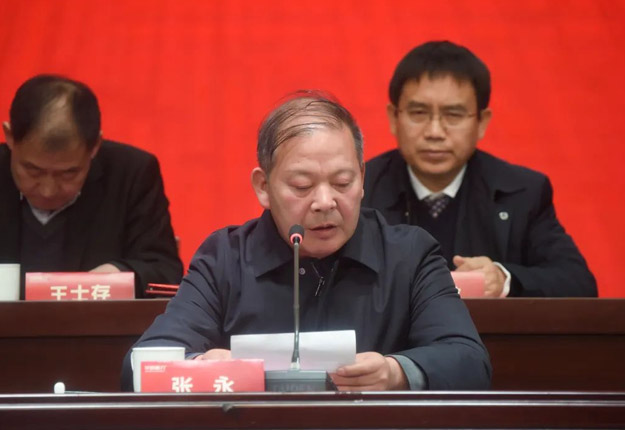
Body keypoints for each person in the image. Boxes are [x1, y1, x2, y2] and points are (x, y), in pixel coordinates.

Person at [122, 91, 491, 391]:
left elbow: (470, 361)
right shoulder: (226, 258)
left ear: (362, 178)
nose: (325, 202)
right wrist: (202, 368)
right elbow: (140, 365)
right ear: (263, 187)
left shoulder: (409, 255)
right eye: (302, 186)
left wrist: (396, 372)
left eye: (343, 182)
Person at [363, 41, 597, 297]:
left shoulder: (521, 193)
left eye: (453, 115)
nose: (434, 132)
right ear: (394, 118)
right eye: (419, 113)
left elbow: (578, 283)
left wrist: (502, 280)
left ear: (482, 122)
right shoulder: (360, 190)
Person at [0, 74, 183, 297]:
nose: (48, 190)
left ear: (95, 146)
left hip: (102, 318)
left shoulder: (131, 174)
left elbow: (165, 269)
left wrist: (118, 275)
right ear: (10, 137)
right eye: (33, 170)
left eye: (68, 173)